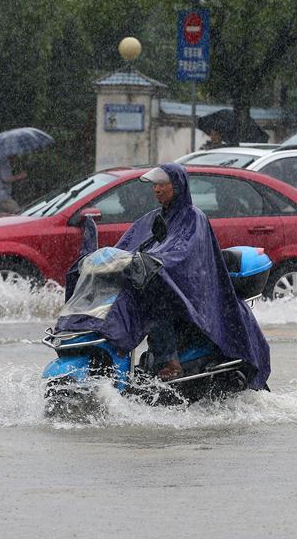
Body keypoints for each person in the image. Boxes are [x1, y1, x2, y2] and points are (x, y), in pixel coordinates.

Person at [105, 163, 270, 385]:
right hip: (168, 282)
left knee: (156, 302)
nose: (157, 189)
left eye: (162, 184)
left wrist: (157, 262)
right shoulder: (155, 218)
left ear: (178, 186)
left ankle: (169, 362)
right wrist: (111, 259)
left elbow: (182, 252)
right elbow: (131, 243)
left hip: (191, 289)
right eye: (154, 185)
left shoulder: (194, 218)